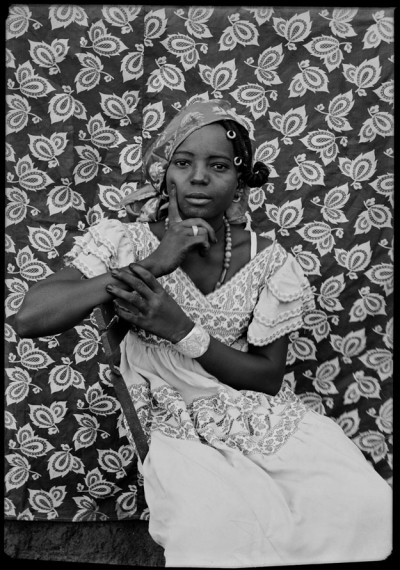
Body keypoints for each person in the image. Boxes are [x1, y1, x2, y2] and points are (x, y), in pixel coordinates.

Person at [15, 99, 392, 567]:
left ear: (239, 182)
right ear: (165, 175)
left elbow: (267, 378)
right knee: (217, 524)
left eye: (218, 165)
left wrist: (182, 329)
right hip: (171, 416)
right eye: (183, 162)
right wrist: (154, 262)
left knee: (365, 501)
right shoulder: (125, 240)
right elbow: (29, 318)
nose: (198, 177)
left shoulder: (269, 260)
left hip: (256, 412)